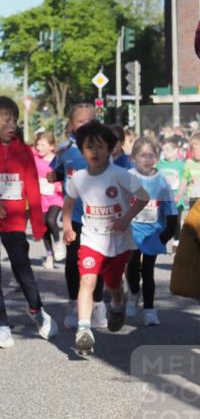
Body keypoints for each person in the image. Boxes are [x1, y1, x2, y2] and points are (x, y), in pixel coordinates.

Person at [0, 97, 56, 349]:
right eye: (6, 120)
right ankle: (1, 326)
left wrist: (39, 225)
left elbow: (32, 187)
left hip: (15, 222)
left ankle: (36, 309)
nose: (12, 124)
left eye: (14, 120)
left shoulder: (24, 151)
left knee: (23, 270)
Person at [63, 121, 150, 355]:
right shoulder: (79, 178)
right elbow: (68, 203)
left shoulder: (119, 175)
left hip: (118, 241)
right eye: (89, 147)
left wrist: (126, 219)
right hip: (91, 239)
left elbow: (143, 196)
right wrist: (68, 227)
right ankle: (84, 330)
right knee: (88, 282)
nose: (95, 151)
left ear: (110, 149)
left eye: (100, 146)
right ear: (82, 151)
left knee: (113, 285)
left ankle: (118, 304)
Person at [51, 103, 106, 329]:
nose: (85, 125)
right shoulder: (66, 151)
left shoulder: (105, 147)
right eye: (80, 121)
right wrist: (53, 175)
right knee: (74, 261)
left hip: (101, 216)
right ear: (71, 125)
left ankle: (98, 304)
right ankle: (74, 303)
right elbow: (55, 171)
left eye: (90, 120)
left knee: (99, 261)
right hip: (74, 217)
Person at [126, 137, 178, 325]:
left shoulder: (162, 181)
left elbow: (170, 209)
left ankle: (149, 309)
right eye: (143, 155)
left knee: (148, 271)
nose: (147, 159)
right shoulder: (128, 177)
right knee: (132, 267)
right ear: (134, 158)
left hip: (152, 232)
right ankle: (133, 293)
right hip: (131, 230)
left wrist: (166, 234)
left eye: (151, 155)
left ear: (156, 158)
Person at [32, 131, 65, 270]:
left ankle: (58, 242)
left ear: (51, 146)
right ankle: (49, 255)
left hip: (55, 196)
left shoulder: (57, 159)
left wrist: (59, 181)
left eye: (43, 144)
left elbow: (63, 174)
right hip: (40, 197)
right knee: (44, 227)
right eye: (38, 144)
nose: (39, 147)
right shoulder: (34, 158)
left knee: (51, 220)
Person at [179, 132, 200, 210]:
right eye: (196, 149)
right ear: (191, 150)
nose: (198, 152)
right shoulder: (189, 163)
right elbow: (185, 179)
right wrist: (179, 194)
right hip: (193, 197)